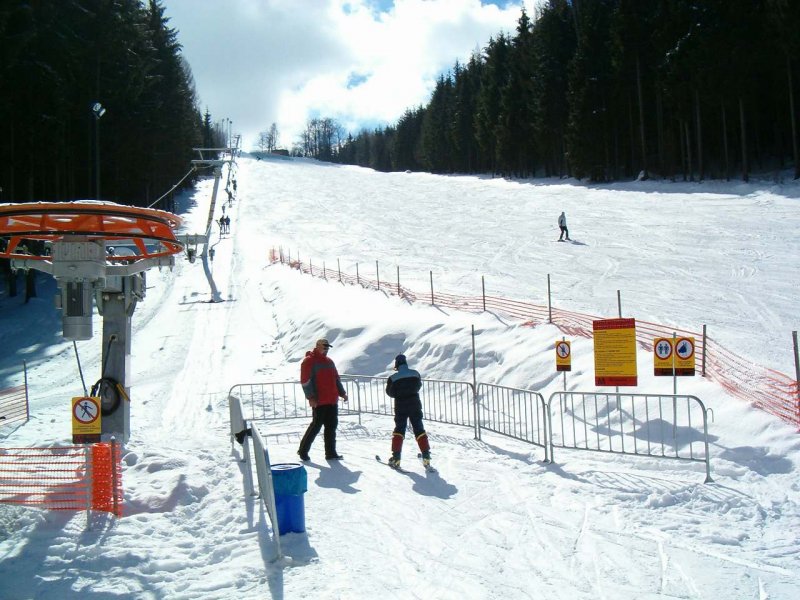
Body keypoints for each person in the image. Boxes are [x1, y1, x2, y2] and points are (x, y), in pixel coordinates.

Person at [297, 338, 348, 461]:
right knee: (316, 426)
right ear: (317, 346)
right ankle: (303, 451)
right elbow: (305, 381)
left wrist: (342, 393)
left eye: (327, 347)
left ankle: (331, 453)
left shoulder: (330, 361)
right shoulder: (308, 361)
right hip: (319, 401)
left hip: (332, 400)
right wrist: (311, 397)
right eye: (324, 346)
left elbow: (336, 379)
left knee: (331, 427)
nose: (326, 349)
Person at [385, 354, 431, 469]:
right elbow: (418, 386)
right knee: (419, 429)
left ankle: (396, 458)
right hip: (415, 404)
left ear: (397, 365)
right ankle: (426, 456)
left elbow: (390, 393)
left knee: (399, 430)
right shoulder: (415, 374)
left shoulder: (393, 378)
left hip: (400, 406)